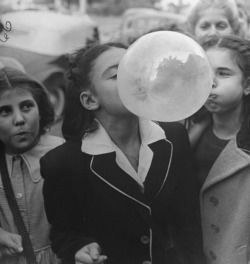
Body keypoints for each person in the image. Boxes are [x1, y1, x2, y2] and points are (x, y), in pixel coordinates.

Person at [40, 42, 205, 264]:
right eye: (117, 74)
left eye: (136, 69)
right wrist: (79, 247)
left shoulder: (174, 135)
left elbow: (188, 222)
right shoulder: (62, 162)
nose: (133, 79)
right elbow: (64, 233)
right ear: (90, 100)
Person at [193, 35, 250, 263]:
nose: (211, 82)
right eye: (203, 73)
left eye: (223, 73)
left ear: (247, 85)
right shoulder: (184, 133)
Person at [0, 67, 64, 263]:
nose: (19, 119)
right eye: (5, 111)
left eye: (27, 107)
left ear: (41, 108)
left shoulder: (62, 153)